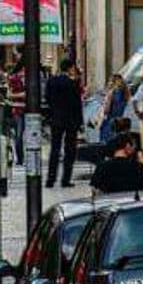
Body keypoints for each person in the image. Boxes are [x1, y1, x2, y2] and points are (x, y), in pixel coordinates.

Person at [45, 57, 83, 189]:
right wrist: (80, 122)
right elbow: (77, 104)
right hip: (71, 120)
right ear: (70, 68)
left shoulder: (52, 81)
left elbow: (47, 99)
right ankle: (65, 179)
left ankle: (50, 178)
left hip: (56, 119)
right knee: (69, 151)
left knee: (54, 149)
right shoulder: (73, 83)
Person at [99, 74, 130, 145]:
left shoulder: (112, 93)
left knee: (106, 141)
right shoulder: (126, 93)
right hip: (121, 121)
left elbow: (106, 110)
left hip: (111, 121)